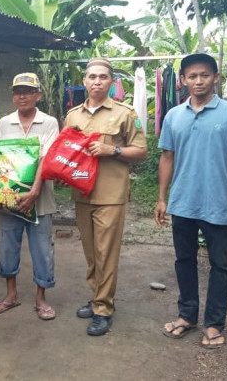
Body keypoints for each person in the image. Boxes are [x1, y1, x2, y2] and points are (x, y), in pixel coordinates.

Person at [154, 53, 227, 349]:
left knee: (220, 266)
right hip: (182, 203)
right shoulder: (173, 115)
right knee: (184, 261)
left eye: (205, 75)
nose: (199, 81)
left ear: (216, 77)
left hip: (217, 205)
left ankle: (214, 324)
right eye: (193, 76)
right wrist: (161, 198)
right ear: (183, 80)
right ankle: (187, 316)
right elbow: (167, 157)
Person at [64, 58, 148, 336]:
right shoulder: (73, 115)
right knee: (91, 253)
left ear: (111, 82)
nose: (97, 81)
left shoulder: (125, 113)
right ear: (85, 81)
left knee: (106, 254)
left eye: (103, 77)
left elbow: (141, 151)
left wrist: (112, 151)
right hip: (82, 193)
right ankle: (96, 295)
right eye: (92, 77)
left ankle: (103, 308)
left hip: (110, 193)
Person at [0, 73, 59, 320]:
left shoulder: (49, 122)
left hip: (40, 200)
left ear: (38, 95)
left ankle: (41, 298)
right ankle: (11, 295)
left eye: (28, 91)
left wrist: (35, 190)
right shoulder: (5, 123)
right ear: (13, 96)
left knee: (42, 249)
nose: (22, 96)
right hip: (9, 198)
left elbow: (46, 158)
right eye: (18, 92)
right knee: (7, 246)